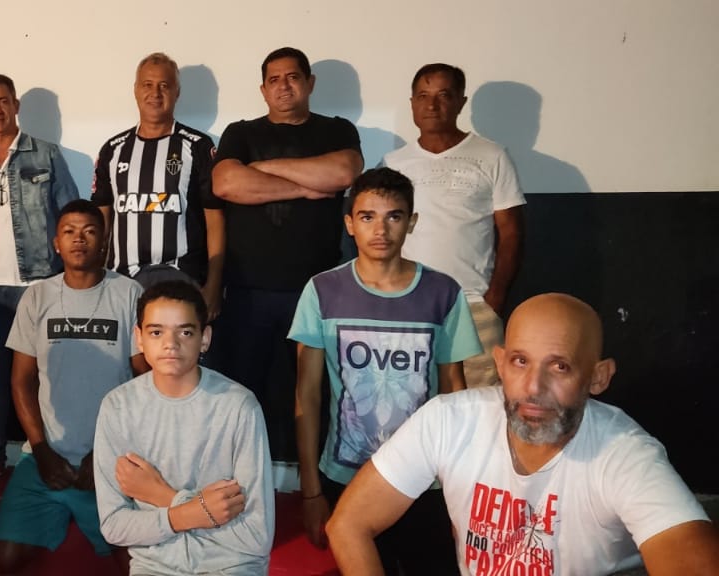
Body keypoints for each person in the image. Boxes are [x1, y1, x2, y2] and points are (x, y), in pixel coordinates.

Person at [327, 293, 719, 575]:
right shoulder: (449, 420)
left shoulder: (625, 455)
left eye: (560, 366)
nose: (533, 387)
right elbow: (348, 523)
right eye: (520, 362)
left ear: (598, 377)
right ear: (499, 364)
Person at [288, 167, 480, 573]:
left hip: (425, 482)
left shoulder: (443, 292)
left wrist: (460, 491)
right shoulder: (322, 291)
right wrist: (311, 492)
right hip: (346, 477)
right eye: (367, 216)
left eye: (394, 216)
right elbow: (307, 394)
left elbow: (455, 393)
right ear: (349, 224)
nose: (380, 229)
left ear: (411, 222)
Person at [209, 47, 363, 451]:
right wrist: (306, 188)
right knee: (241, 395)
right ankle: (238, 473)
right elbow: (226, 183)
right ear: (263, 90)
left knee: (312, 395)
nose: (283, 86)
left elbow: (344, 172)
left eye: (293, 77)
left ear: (310, 83)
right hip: (247, 291)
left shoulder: (336, 130)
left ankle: (309, 477)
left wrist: (261, 169)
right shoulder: (241, 133)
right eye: (274, 79)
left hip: (316, 291)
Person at [0, 199, 145, 574]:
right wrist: (41, 449)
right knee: (4, 558)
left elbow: (145, 384)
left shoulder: (129, 294)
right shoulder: (37, 296)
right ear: (56, 243)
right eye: (69, 232)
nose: (79, 239)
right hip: (46, 454)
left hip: (112, 457)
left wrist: (108, 453)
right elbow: (21, 380)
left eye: (90, 231)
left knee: (136, 564)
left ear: (104, 241)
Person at [94, 281, 274, 575]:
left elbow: (256, 536)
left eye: (185, 332)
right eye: (156, 332)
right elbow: (114, 526)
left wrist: (163, 496)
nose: (171, 344)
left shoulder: (239, 406)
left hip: (232, 566)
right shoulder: (117, 407)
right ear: (139, 338)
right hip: (155, 567)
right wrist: (193, 511)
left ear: (205, 338)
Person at [0, 73, 80, 461]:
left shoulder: (46, 154)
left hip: (39, 283)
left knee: (47, 372)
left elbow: (69, 212)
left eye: (3, 101)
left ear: (16, 105)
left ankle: (50, 451)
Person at [383, 63, 526, 388]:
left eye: (443, 95)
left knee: (477, 405)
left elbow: (512, 233)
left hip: (473, 307)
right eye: (423, 96)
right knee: (408, 401)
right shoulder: (394, 163)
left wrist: (494, 299)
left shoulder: (492, 156)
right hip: (407, 306)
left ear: (461, 102)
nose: (432, 105)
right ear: (412, 103)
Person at [92, 52, 224, 318]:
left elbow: (215, 220)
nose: (155, 93)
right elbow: (101, 221)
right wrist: (93, 281)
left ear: (177, 92)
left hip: (184, 279)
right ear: (135, 90)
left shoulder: (198, 146)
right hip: (123, 282)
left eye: (164, 85)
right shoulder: (113, 149)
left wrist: (214, 286)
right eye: (147, 84)